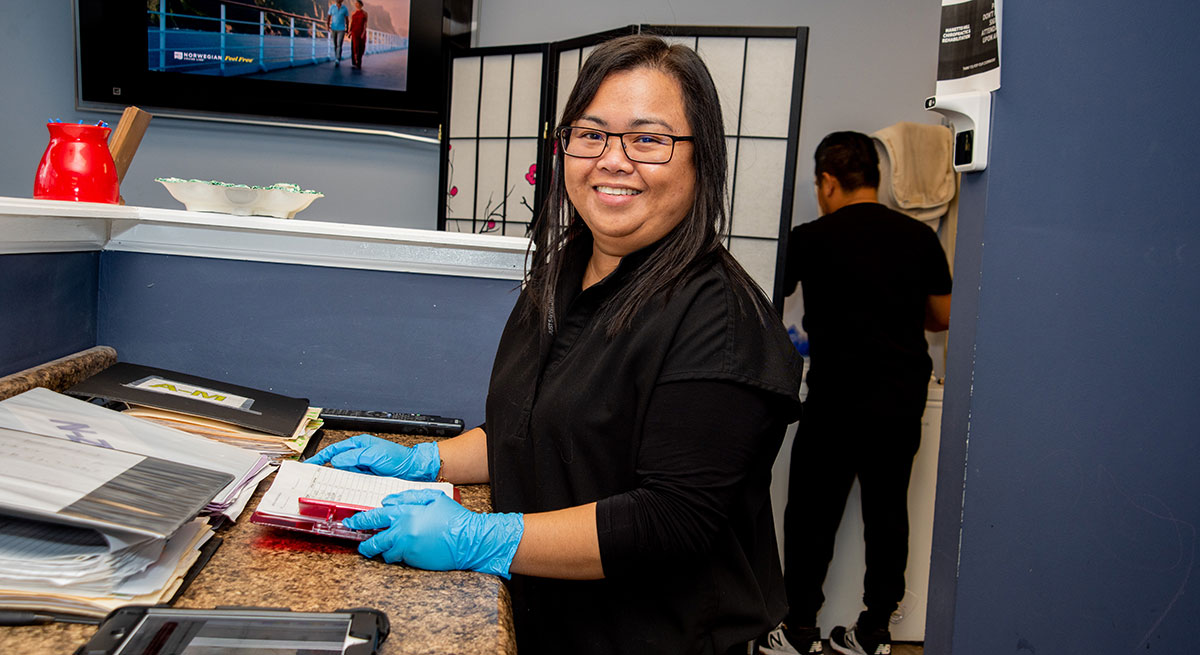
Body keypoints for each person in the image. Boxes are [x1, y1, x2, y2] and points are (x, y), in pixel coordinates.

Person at [305, 34, 804, 655]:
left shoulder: (721, 322)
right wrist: (427, 462)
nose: (612, 160)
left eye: (648, 139)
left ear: (700, 158)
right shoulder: (563, 272)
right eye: (590, 133)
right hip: (546, 621)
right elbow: (535, 429)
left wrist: (481, 537)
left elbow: (669, 521)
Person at [761, 132, 952, 655]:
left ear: (827, 180)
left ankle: (799, 630)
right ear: (877, 177)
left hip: (836, 396)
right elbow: (943, 317)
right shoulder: (919, 238)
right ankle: (873, 634)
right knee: (888, 512)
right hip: (901, 395)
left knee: (810, 513)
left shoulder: (812, 238)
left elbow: (763, 293)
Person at [326, 0, 350, 64]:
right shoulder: (332, 7)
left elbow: (347, 20)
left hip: (341, 29)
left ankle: (337, 59)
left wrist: (347, 29)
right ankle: (337, 57)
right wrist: (327, 26)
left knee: (339, 44)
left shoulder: (345, 8)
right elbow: (328, 17)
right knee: (335, 44)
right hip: (333, 28)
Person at [348, 1, 367, 69]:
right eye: (356, 3)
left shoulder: (365, 13)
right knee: (354, 47)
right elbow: (351, 23)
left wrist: (363, 33)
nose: (356, 5)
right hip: (354, 32)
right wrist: (349, 31)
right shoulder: (353, 13)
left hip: (361, 32)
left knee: (361, 47)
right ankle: (355, 62)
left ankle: (359, 61)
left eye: (358, 3)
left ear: (361, 5)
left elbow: (365, 25)